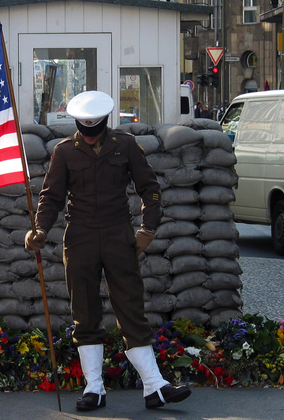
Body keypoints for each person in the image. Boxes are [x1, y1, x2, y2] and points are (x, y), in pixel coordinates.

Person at [25, 91, 191, 411]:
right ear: (77, 125)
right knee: (85, 312)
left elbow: (149, 189)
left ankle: (154, 386)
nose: (89, 136)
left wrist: (147, 229)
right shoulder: (64, 152)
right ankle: (94, 389)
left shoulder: (125, 145)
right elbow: (51, 198)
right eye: (84, 130)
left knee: (130, 308)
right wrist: (41, 229)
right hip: (80, 238)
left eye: (94, 129)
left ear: (104, 123)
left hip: (118, 236)